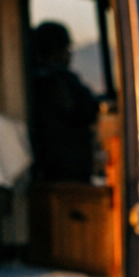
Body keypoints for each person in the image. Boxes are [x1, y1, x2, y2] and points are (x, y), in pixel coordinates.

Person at [28, 21, 98, 183]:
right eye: (67, 48)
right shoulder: (57, 80)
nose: (70, 54)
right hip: (66, 172)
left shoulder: (39, 77)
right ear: (57, 50)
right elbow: (86, 108)